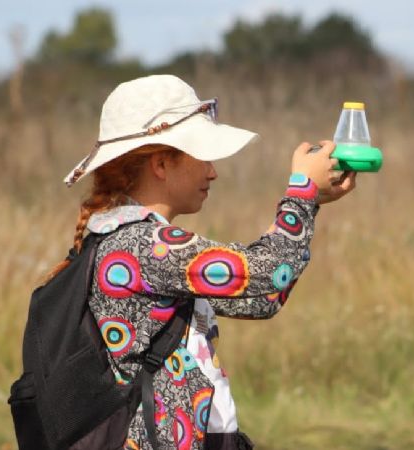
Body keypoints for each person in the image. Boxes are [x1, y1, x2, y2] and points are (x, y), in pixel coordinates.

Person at [50, 75, 356, 450]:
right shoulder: (142, 245)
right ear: (161, 164)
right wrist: (302, 193)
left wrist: (308, 204)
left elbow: (260, 297)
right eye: (203, 157)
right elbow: (269, 274)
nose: (213, 171)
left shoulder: (129, 241)